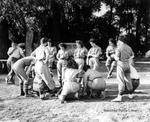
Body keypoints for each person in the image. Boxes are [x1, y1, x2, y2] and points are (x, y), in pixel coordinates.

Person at [112, 36, 134, 102]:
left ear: (120, 41)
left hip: (121, 64)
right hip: (127, 64)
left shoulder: (119, 47)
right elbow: (132, 55)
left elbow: (117, 58)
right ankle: (130, 94)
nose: (117, 42)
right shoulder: (129, 47)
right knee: (128, 79)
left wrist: (114, 56)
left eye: (118, 41)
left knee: (121, 80)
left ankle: (120, 96)